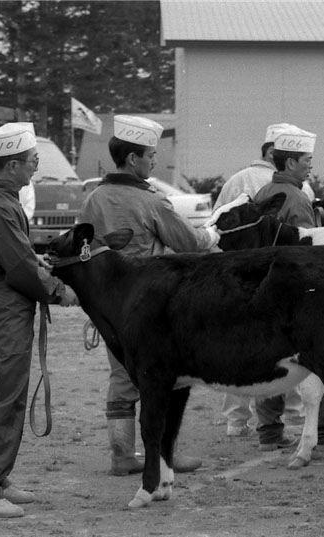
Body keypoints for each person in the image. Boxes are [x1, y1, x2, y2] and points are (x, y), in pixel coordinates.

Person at [80, 115, 220, 476]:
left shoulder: (94, 198)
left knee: (122, 377)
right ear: (132, 159)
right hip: (154, 304)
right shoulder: (152, 202)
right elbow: (190, 242)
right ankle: (164, 455)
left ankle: (122, 454)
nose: (154, 162)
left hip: (110, 303)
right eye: (151, 155)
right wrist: (214, 235)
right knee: (166, 377)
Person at [0, 123, 79, 518]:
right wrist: (60, 291)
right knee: (3, 401)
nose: (35, 167)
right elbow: (17, 267)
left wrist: (38, 263)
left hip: (1, 308)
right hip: (2, 311)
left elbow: (18, 256)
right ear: (12, 165)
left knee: (8, 400)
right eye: (32, 161)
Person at [249, 124, 324, 451]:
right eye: (307, 159)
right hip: (297, 291)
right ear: (290, 163)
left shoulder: (265, 192)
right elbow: (310, 249)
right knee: (319, 360)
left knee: (274, 362)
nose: (311, 165)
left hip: (265, 287)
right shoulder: (297, 198)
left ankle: (268, 432)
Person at [215, 123, 309, 438]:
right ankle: (291, 417)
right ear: (274, 153)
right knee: (289, 349)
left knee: (243, 349)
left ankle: (236, 422)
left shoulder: (236, 181)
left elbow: (218, 228)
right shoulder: (298, 189)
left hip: (244, 276)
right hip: (284, 277)